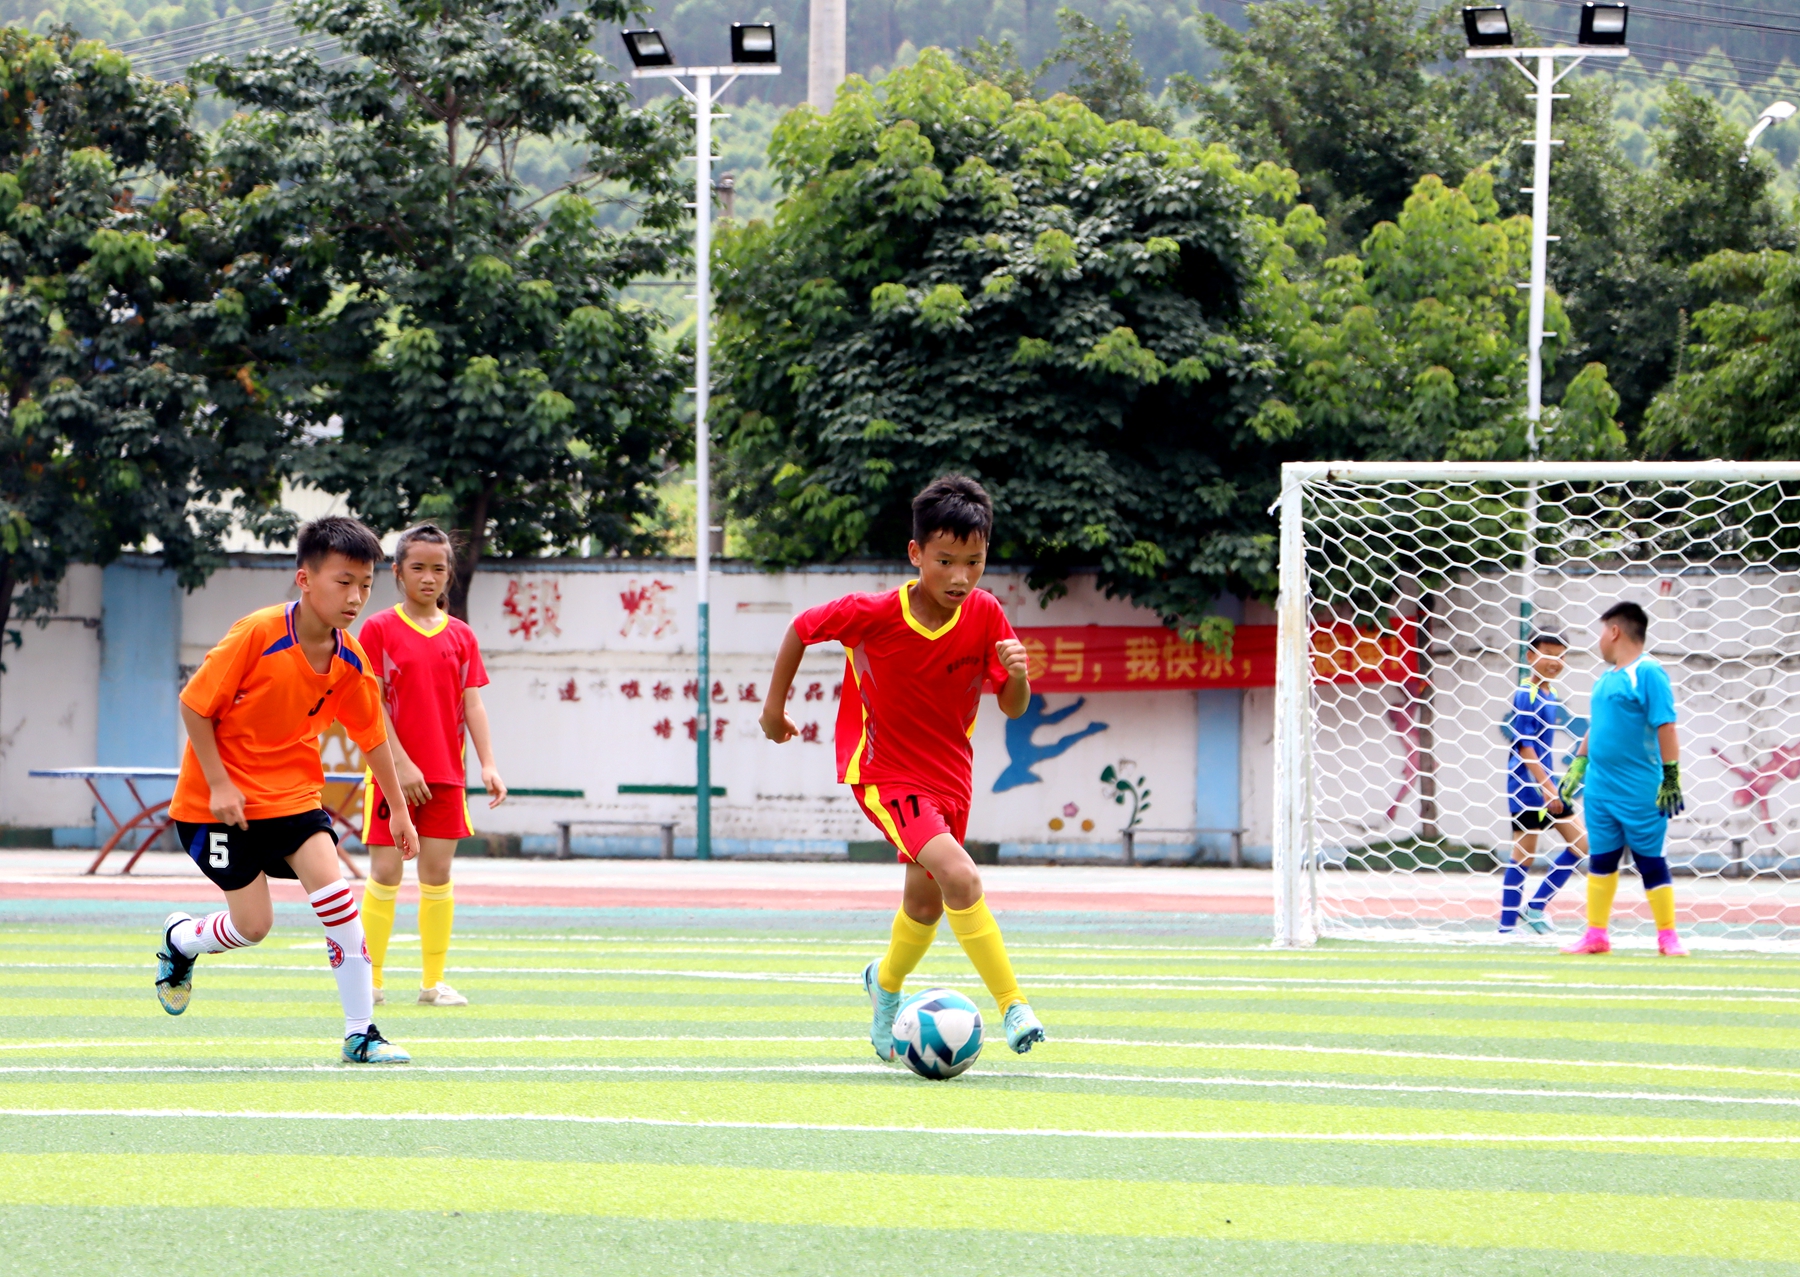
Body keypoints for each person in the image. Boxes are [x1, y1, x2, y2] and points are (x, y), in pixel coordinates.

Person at [759, 475, 1047, 1060]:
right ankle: (1013, 1005)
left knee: (925, 903)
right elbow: (801, 629)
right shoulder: (872, 614)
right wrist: (773, 709)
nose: (961, 577)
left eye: (975, 561)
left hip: (952, 779)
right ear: (916, 555)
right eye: (946, 561)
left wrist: (1017, 673)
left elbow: (1012, 706)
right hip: (885, 774)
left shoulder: (987, 614)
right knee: (961, 877)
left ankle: (883, 985)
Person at [156, 516, 418, 1062]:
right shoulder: (258, 632)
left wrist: (398, 811)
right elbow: (194, 705)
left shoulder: (350, 660)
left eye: (366, 585)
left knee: (339, 904)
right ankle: (181, 941)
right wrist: (222, 785)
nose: (356, 597)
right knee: (254, 927)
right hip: (215, 807)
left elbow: (373, 739)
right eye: (343, 582)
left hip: (294, 799)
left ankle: (360, 1033)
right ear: (305, 579)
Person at [357, 523, 507, 1006]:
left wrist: (487, 765)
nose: (428, 577)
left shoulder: (461, 636)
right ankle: (370, 981)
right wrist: (399, 763)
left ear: (449, 575)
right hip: (389, 777)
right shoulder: (378, 628)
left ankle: (432, 983)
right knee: (384, 874)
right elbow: (371, 704)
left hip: (446, 775)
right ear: (398, 572)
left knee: (437, 876)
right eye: (417, 567)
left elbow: (474, 705)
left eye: (438, 568)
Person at [1559, 601, 1689, 957]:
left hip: (1639, 787)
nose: (1599, 640)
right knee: (1601, 859)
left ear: (1614, 631)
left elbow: (1666, 724)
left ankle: (1668, 936)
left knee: (1650, 860)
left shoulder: (1648, 673)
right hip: (1600, 788)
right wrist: (1579, 763)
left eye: (1602, 630)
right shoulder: (1605, 679)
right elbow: (1597, 727)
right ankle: (1596, 935)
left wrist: (1671, 776)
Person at [1500, 632, 1588, 934]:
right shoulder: (1527, 693)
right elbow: (1525, 747)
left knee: (1582, 845)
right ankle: (1506, 928)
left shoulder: (1549, 694)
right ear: (1531, 657)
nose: (1555, 662)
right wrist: (1548, 788)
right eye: (1548, 654)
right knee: (1523, 854)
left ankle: (1535, 907)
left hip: (1547, 787)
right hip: (1527, 787)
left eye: (1561, 656)